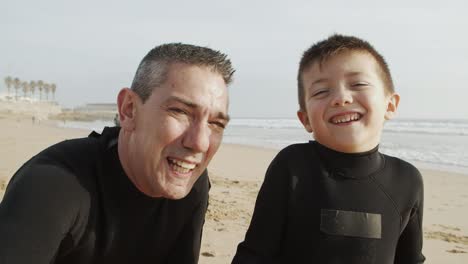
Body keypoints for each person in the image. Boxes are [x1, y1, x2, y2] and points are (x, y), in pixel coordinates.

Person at [0, 43, 235, 264]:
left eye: (216, 123)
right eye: (180, 111)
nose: (200, 143)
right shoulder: (52, 185)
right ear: (129, 110)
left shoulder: (191, 185)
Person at [232, 34, 425, 263]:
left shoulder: (406, 179)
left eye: (358, 84)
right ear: (305, 120)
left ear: (390, 105)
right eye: (321, 91)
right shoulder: (293, 166)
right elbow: (255, 253)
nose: (341, 98)